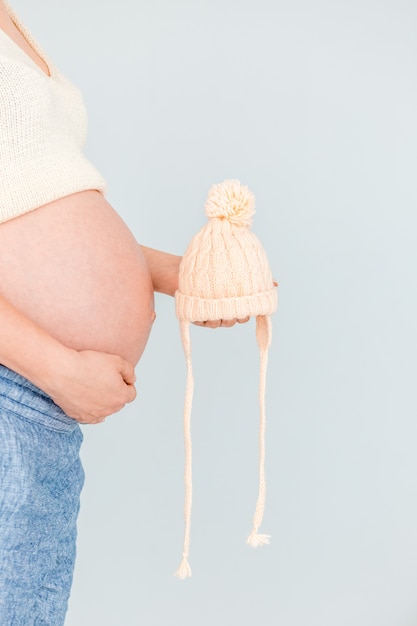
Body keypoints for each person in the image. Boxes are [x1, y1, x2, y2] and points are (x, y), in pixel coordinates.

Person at [0, 2, 249, 624]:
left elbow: (31, 215)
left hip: (34, 407)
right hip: (19, 384)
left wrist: (183, 274)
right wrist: (54, 365)